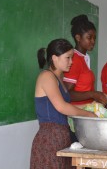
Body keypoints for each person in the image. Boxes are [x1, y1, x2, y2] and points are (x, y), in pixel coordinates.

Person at [30, 38, 96, 169]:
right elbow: (61, 107)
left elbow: (66, 105)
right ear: (54, 58)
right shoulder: (46, 76)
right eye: (68, 58)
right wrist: (88, 114)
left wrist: (91, 107)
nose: (71, 62)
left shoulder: (60, 79)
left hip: (62, 136)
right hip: (49, 140)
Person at [63, 14, 107, 141]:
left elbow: (83, 88)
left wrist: (95, 97)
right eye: (89, 37)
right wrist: (93, 94)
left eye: (94, 38)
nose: (93, 41)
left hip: (85, 117)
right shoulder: (75, 59)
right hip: (75, 119)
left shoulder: (84, 57)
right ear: (78, 38)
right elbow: (67, 94)